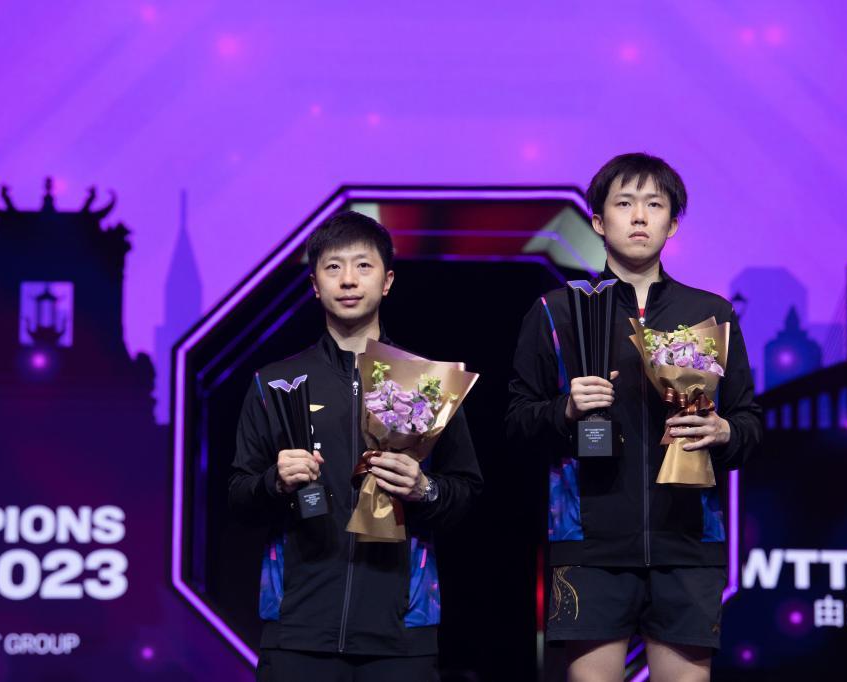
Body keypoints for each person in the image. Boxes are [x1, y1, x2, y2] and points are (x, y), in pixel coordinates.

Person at [506, 153, 762, 682]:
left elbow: (750, 424)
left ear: (672, 224)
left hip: (688, 540)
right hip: (589, 542)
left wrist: (723, 431)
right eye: (624, 204)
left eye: (654, 205)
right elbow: (515, 423)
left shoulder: (711, 314)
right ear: (599, 222)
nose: (640, 216)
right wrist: (565, 409)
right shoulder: (557, 311)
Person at [229, 210, 482, 682]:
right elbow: (238, 497)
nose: (348, 280)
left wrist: (425, 489)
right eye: (333, 267)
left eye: (363, 265)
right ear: (314, 285)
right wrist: (274, 482)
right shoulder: (276, 382)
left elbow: (467, 494)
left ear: (387, 282)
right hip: (297, 632)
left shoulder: (427, 384)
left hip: (401, 635)